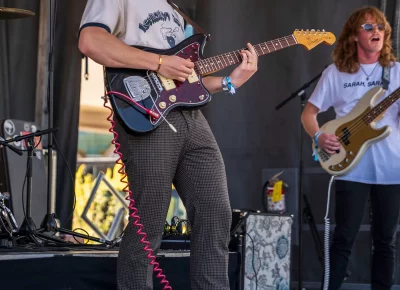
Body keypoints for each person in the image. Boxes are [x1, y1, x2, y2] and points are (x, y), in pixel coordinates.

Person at [78, 1, 258, 289]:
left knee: (216, 214)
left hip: (191, 118)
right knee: (148, 220)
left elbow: (185, 80)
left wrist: (228, 81)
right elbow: (90, 41)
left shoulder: (174, 9)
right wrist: (160, 63)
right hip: (145, 113)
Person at [301, 6, 400, 290]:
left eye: (380, 28)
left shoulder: (395, 73)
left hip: (391, 168)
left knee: (386, 242)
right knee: (343, 239)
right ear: (354, 36)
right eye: (369, 28)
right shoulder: (336, 72)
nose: (376, 32)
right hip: (350, 167)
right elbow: (308, 114)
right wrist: (319, 136)